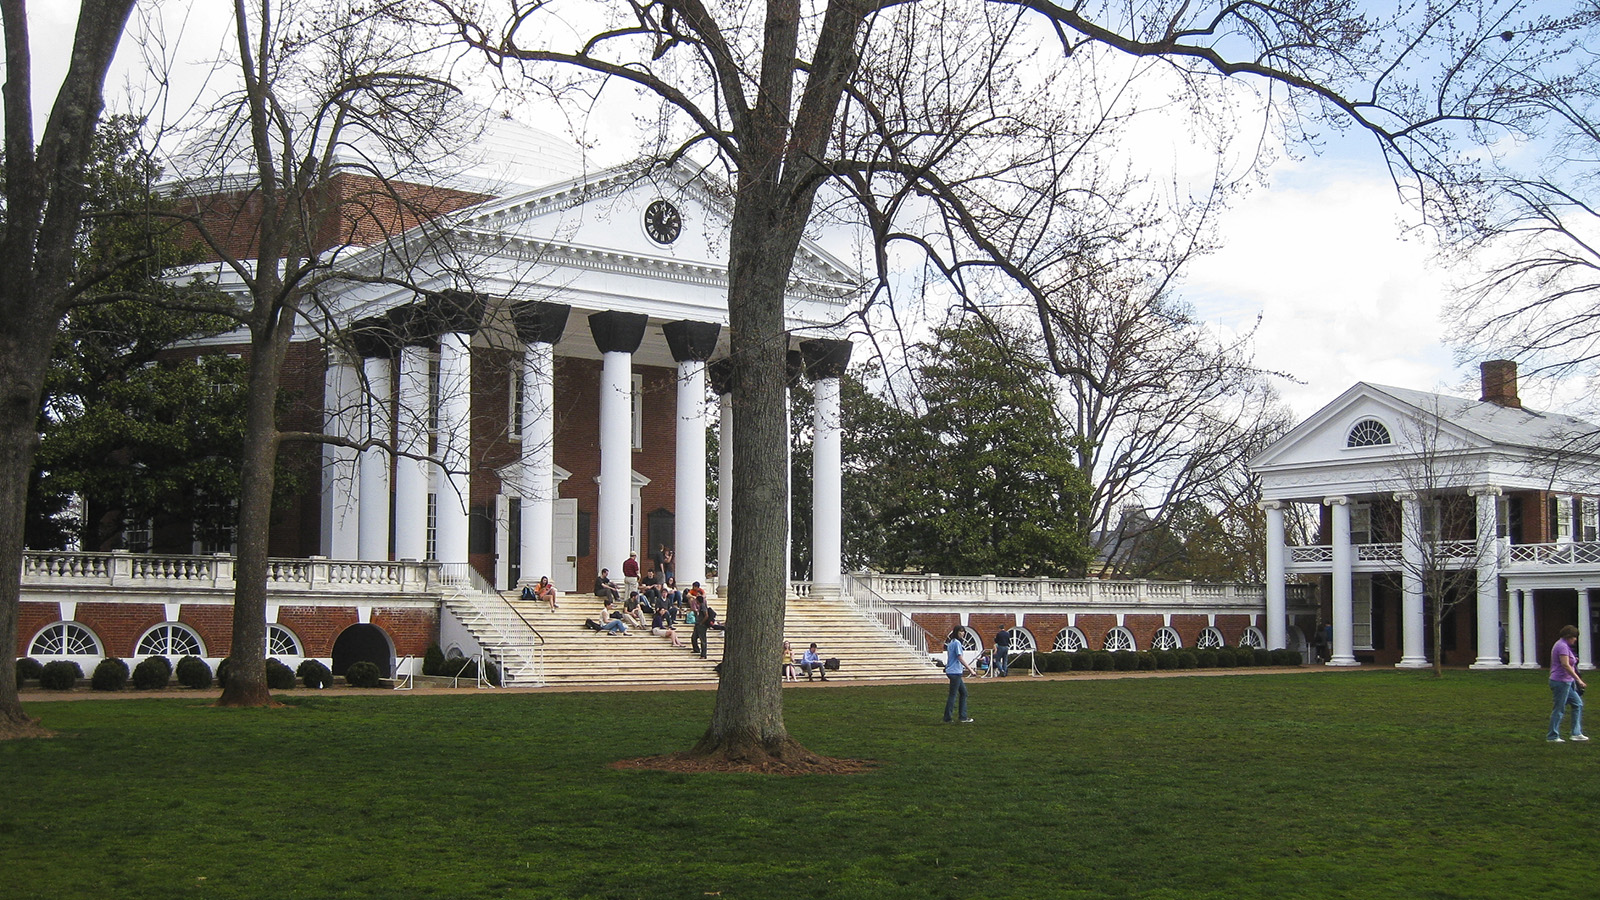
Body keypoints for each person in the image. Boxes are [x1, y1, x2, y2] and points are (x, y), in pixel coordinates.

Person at [1549, 624, 1588, 742]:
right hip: (1560, 681)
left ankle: (1576, 733)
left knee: (1578, 704)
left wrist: (1575, 660)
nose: (1575, 639)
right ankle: (1552, 735)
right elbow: (1565, 665)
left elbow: (1569, 661)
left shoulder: (1565, 646)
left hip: (1567, 681)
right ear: (1569, 636)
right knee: (1559, 709)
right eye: (1574, 637)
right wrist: (1578, 679)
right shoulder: (1562, 646)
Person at [944, 626, 974, 724]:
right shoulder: (956, 643)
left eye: (963, 632)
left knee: (963, 693)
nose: (963, 633)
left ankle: (962, 716)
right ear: (956, 632)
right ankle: (949, 717)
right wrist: (970, 669)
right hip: (955, 672)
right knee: (953, 695)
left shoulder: (951, 643)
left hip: (952, 671)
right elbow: (960, 657)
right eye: (961, 631)